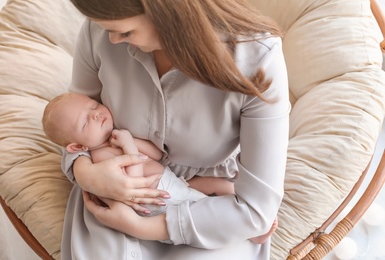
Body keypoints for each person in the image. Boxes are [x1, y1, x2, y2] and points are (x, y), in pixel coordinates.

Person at [61, 0, 290, 259]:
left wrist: (140, 226)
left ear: (170, 12)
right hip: (115, 199)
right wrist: (85, 174)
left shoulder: (259, 59)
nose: (113, 40)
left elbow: (256, 210)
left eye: (125, 33)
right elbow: (72, 123)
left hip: (210, 210)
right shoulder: (101, 30)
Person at [42, 92, 233, 216]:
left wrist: (131, 141)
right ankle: (247, 226)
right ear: (77, 147)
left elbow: (157, 155)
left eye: (93, 105)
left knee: (220, 185)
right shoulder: (99, 159)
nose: (95, 114)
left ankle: (252, 209)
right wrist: (129, 147)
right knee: (207, 211)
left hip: (172, 181)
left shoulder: (118, 136)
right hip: (160, 202)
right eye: (85, 122)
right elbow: (133, 183)